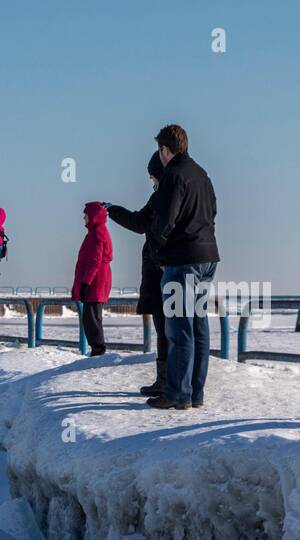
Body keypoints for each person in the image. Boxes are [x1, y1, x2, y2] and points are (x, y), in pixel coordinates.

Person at [145, 124, 220, 410]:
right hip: (207, 256)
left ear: (165, 150)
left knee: (179, 329)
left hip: (182, 260)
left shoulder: (173, 176)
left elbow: (165, 221)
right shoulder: (202, 174)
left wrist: (158, 253)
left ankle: (177, 394)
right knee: (199, 326)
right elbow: (213, 211)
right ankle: (195, 393)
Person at [105, 152, 168, 395]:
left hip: (161, 270)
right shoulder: (165, 195)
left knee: (166, 329)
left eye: (152, 177)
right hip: (160, 270)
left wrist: (113, 210)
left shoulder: (162, 197)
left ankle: (168, 382)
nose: (151, 182)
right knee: (165, 329)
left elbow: (139, 222)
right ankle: (165, 380)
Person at [71, 201, 113, 357]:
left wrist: (85, 283)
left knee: (92, 318)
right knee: (90, 317)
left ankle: (98, 350)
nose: (84, 218)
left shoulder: (97, 234)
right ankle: (97, 348)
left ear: (92, 216)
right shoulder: (95, 232)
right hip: (95, 282)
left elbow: (95, 261)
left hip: (96, 282)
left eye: (85, 215)